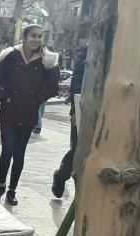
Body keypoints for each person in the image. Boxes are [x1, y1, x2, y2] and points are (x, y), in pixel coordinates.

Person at [0, 24, 59, 205]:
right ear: (25, 37)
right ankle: (0, 185)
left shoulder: (46, 60)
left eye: (40, 36)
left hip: (28, 113)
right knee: (7, 151)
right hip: (9, 112)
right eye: (33, 36)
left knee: (19, 153)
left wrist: (38, 100)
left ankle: (12, 190)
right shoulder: (11, 57)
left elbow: (53, 87)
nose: (37, 39)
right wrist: (5, 97)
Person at [52, 45, 87, 198]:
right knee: (79, 150)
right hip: (85, 109)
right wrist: (75, 111)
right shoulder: (90, 50)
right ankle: (61, 175)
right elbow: (77, 85)